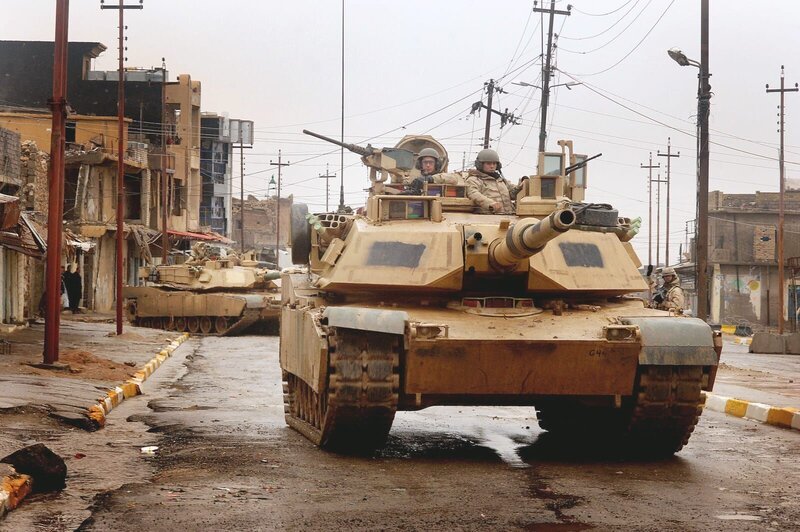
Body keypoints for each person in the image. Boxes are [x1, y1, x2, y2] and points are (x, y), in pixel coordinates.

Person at [465, 148, 519, 214]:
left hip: (509, 215)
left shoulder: (500, 180)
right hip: (486, 217)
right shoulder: (474, 180)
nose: (492, 166)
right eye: (488, 163)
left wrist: (520, 186)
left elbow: (512, 193)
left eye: (494, 163)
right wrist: (490, 203)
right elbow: (473, 193)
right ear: (480, 165)